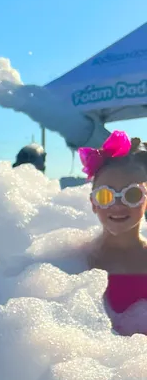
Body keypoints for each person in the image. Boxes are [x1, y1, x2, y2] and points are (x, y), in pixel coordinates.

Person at [82, 130, 147, 335]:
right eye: (105, 195)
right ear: (93, 203)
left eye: (132, 194)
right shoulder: (77, 258)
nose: (117, 204)